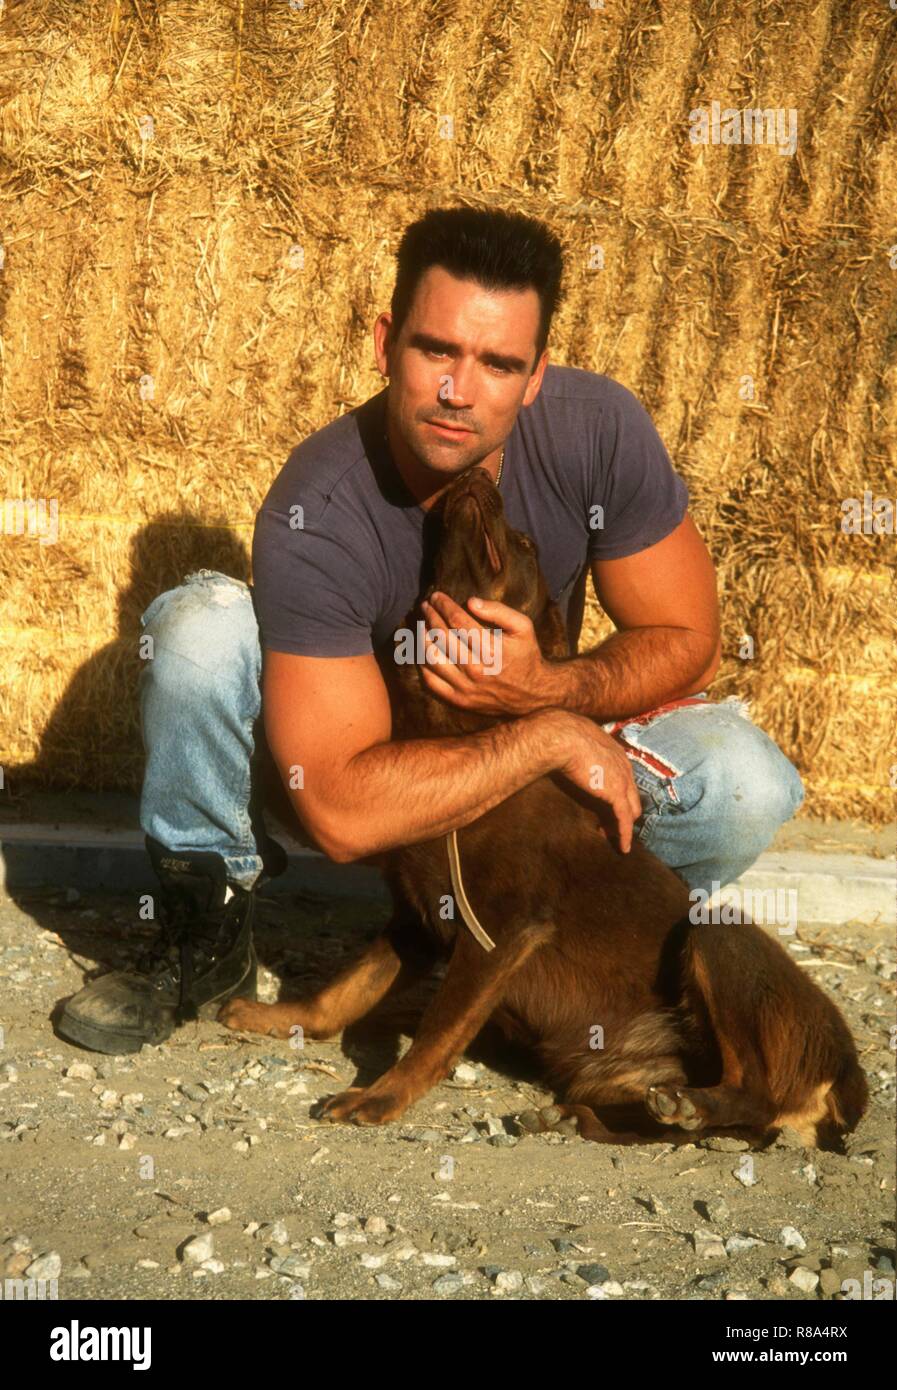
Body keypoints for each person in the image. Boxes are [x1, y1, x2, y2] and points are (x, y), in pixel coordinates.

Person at [57, 206, 804, 1055]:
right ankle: (206, 931)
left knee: (745, 782)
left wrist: (558, 689)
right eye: (435, 350)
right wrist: (548, 735)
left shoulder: (599, 429)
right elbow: (337, 808)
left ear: (535, 376)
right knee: (196, 632)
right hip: (369, 778)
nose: (459, 390)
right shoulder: (319, 504)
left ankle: (576, 960)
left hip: (521, 806)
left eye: (498, 363)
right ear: (384, 344)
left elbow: (685, 637)